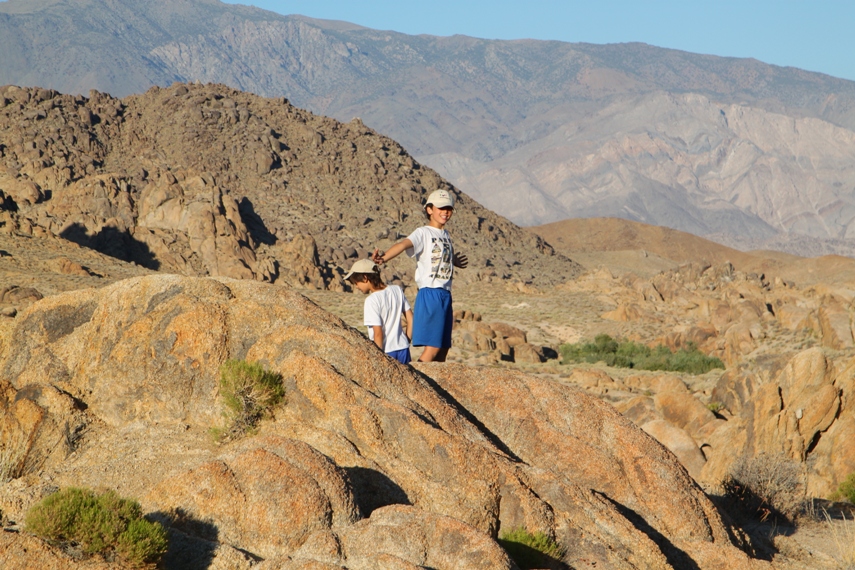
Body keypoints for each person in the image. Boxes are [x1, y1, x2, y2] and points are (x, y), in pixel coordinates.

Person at [371, 189, 467, 362]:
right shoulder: (423, 232)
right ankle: (418, 380)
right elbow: (403, 244)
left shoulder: (445, 235)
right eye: (441, 208)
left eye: (449, 208)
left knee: (444, 348)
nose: (445, 212)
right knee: (433, 346)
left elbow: (438, 257)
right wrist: (383, 258)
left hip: (445, 293)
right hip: (431, 293)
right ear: (429, 209)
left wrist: (453, 261)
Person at [345, 258, 414, 364]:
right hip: (403, 349)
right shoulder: (397, 290)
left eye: (356, 282)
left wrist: (378, 359)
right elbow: (411, 319)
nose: (356, 287)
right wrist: (406, 341)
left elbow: (378, 333)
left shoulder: (371, 300)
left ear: (365, 278)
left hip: (386, 351)